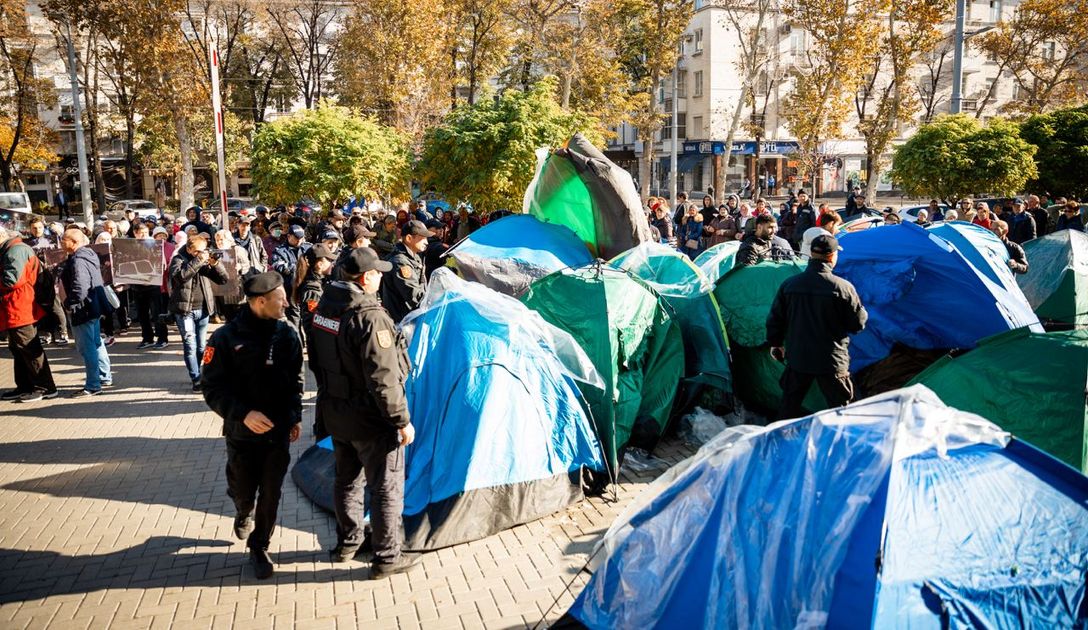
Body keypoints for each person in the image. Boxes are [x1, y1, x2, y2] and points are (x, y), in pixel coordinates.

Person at [308, 247, 419, 578]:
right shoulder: (370, 317)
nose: (382, 276)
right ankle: (386, 556)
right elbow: (383, 379)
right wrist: (401, 420)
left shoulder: (324, 307)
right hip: (370, 418)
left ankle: (348, 542)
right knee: (386, 487)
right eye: (378, 273)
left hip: (336, 411)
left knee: (346, 481)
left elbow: (315, 360)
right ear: (366, 277)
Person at [201, 271, 303, 580]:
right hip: (241, 434)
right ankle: (242, 509)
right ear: (260, 301)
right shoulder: (224, 338)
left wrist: (295, 415)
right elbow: (212, 389)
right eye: (280, 298)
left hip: (277, 433)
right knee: (245, 490)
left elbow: (296, 381)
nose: (286, 302)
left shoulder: (287, 335)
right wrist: (243, 414)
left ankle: (260, 546)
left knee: (271, 492)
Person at [766, 234, 867, 421]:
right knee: (842, 412)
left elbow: (775, 319)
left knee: (788, 408)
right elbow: (857, 324)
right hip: (832, 359)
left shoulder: (790, 284)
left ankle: (780, 446)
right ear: (832, 257)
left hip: (798, 357)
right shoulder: (843, 287)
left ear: (812, 254)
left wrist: (776, 343)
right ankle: (840, 448)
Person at [0, 226, 57, 402]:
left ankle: (45, 387)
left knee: (29, 348)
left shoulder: (15, 251)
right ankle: (25, 386)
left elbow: (11, 280)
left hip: (20, 307)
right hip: (17, 306)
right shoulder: (13, 249)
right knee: (18, 348)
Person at [169, 233, 229, 392]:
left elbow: (223, 279)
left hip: (203, 309)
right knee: (190, 345)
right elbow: (180, 277)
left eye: (203, 251)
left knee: (202, 347)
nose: (202, 254)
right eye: (198, 252)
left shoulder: (202, 261)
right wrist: (198, 260)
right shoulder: (178, 259)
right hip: (185, 310)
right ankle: (196, 378)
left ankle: (198, 372)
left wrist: (215, 264)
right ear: (189, 249)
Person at [59, 226, 113, 397]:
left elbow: (80, 287)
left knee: (87, 347)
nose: (61, 243)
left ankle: (93, 385)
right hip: (93, 307)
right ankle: (104, 376)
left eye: (63, 240)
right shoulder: (88, 255)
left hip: (83, 309)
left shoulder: (78, 260)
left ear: (74, 242)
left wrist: (69, 303)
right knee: (96, 343)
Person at [380, 220, 431, 324]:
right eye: (423, 238)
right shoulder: (401, 263)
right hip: (403, 321)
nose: (427, 242)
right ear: (409, 238)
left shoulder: (413, 256)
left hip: (410, 316)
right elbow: (414, 296)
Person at [271, 225, 309, 331]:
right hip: (290, 290)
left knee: (308, 319)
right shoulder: (280, 250)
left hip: (306, 289)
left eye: (301, 238)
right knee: (294, 320)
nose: (299, 240)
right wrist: (300, 266)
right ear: (289, 236)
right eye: (296, 237)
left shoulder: (308, 248)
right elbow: (278, 266)